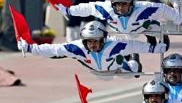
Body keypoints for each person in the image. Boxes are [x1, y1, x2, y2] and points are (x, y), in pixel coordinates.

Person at [56, 0, 182, 50]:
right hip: (121, 30)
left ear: (133, 3)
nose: (121, 8)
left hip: (142, 26)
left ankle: (157, 35)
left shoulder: (144, 8)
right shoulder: (106, 8)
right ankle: (133, 58)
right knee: (125, 45)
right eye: (117, 4)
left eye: (125, 4)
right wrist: (69, 11)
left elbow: (165, 10)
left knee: (152, 28)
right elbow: (87, 7)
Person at [17, 21, 167, 76]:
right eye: (89, 42)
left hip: (115, 67)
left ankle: (132, 58)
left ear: (103, 39)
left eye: (96, 41)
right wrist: (29, 47)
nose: (93, 45)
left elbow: (136, 45)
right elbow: (54, 49)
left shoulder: (113, 44)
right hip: (95, 70)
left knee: (133, 69)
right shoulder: (78, 47)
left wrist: (156, 48)